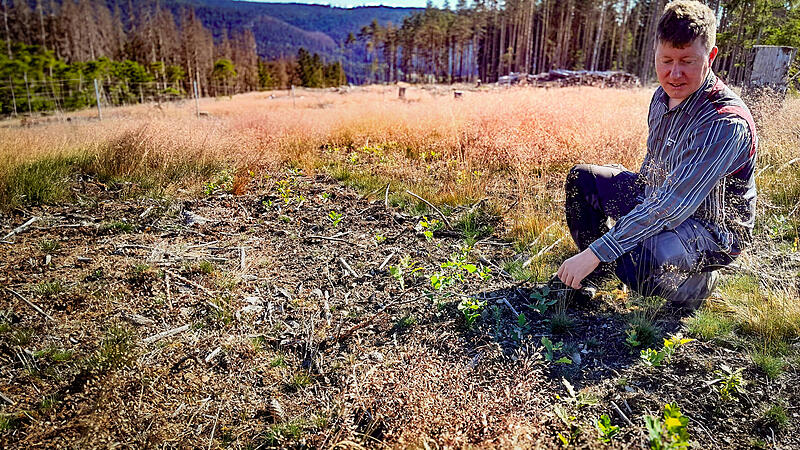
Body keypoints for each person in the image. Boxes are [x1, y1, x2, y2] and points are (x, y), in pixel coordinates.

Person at [556, 0, 758, 310]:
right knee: (583, 179)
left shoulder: (724, 122)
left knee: (638, 258)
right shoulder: (662, 96)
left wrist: (597, 250)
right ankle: (600, 277)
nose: (674, 73)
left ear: (711, 56)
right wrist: (625, 218)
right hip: (663, 198)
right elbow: (653, 172)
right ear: (655, 54)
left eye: (687, 61)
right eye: (666, 60)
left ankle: (696, 284)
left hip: (711, 229)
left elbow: (672, 207)